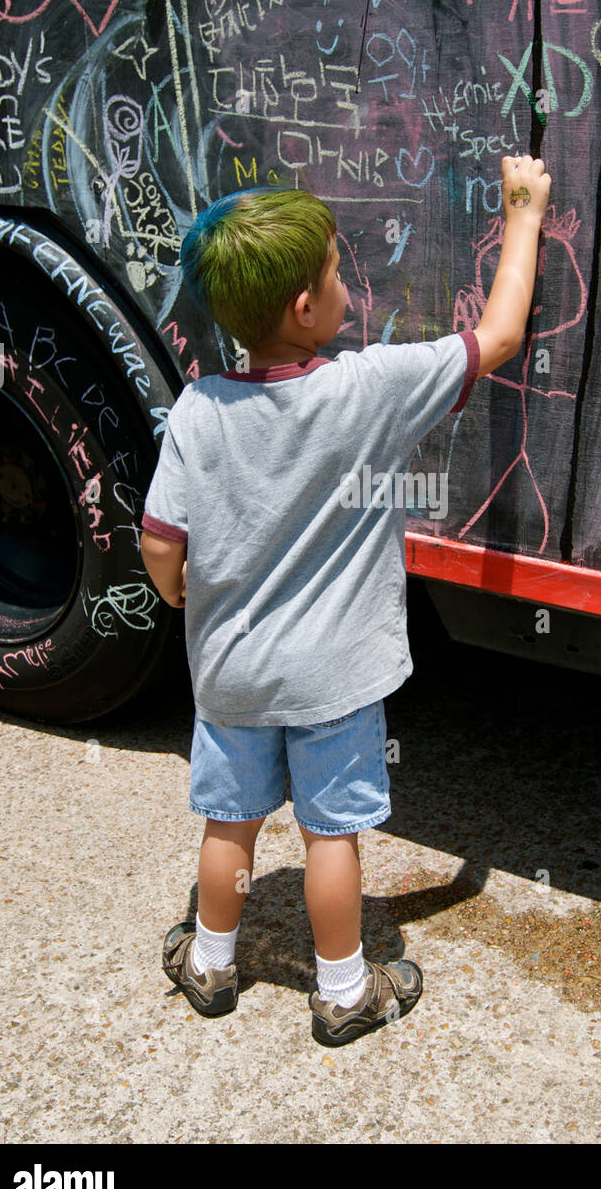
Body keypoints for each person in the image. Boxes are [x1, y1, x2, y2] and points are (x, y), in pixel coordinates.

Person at [140, 154, 552, 1046]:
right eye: (335, 275)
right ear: (304, 310)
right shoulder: (370, 390)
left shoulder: (199, 410)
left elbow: (161, 544)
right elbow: (502, 334)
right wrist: (523, 212)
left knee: (230, 827)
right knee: (332, 836)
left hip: (234, 678)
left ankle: (210, 964)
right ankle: (343, 991)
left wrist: (179, 596)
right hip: (336, 680)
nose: (346, 290)